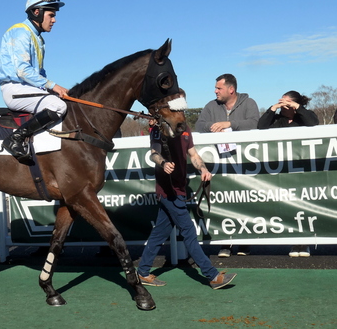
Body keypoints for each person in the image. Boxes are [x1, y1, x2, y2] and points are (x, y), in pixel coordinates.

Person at [137, 113, 237, 289]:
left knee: (159, 233)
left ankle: (143, 272)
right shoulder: (157, 130)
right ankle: (212, 276)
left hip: (179, 189)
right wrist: (163, 163)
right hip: (168, 191)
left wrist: (203, 169)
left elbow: (194, 155)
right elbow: (154, 154)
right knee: (189, 232)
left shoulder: (185, 129)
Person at [0, 0, 68, 162]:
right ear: (37, 12)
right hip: (15, 88)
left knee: (64, 101)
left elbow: (39, 74)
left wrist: (51, 88)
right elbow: (22, 70)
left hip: (27, 88)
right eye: (51, 15)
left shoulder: (38, 38)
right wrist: (52, 85)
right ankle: (15, 139)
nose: (54, 20)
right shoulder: (21, 32)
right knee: (59, 107)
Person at [195, 74, 259, 257]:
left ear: (231, 89)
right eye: (215, 88)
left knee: (245, 201)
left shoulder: (249, 103)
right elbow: (200, 125)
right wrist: (215, 127)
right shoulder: (210, 106)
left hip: (245, 163)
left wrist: (230, 124)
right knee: (224, 201)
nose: (215, 91)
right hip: (220, 163)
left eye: (219, 88)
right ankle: (226, 242)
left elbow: (255, 123)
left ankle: (244, 242)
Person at [258, 90, 319, 258]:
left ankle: (305, 242)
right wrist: (273, 108)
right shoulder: (279, 120)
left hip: (304, 169)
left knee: (304, 206)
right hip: (284, 170)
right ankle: (294, 242)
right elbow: (261, 126)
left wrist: (297, 108)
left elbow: (313, 123)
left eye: (285, 102)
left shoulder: (304, 116)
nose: (282, 105)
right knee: (290, 206)